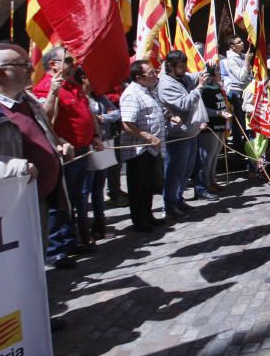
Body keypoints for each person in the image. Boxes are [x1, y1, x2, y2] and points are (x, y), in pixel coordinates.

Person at [0, 44, 73, 265]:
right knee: (17, 264)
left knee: (35, 259)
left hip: (39, 197)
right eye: (23, 65)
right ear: (3, 71)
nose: (32, 69)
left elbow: (43, 130)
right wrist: (17, 167)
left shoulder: (27, 100)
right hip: (10, 206)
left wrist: (58, 145)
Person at [33, 47, 103, 251]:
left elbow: (87, 114)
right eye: (69, 60)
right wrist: (53, 92)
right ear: (53, 64)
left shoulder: (73, 86)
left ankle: (76, 238)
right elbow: (46, 120)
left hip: (83, 149)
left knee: (78, 196)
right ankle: (62, 245)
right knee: (64, 200)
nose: (74, 64)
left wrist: (96, 136)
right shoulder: (44, 88)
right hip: (65, 153)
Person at [157, 50, 209, 218]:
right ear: (170, 67)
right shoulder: (166, 84)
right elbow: (183, 104)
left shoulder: (183, 77)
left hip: (190, 132)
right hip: (177, 135)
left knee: (186, 170)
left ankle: (179, 200)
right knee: (174, 171)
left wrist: (208, 68)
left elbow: (195, 76)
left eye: (185, 65)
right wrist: (199, 88)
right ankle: (170, 205)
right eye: (180, 66)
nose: (184, 68)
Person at [119, 60, 167, 232]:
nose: (155, 75)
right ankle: (140, 221)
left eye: (155, 72)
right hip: (138, 150)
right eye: (151, 73)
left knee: (148, 186)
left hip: (151, 150)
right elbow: (127, 123)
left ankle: (148, 215)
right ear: (139, 77)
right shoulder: (132, 93)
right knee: (138, 187)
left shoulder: (148, 91)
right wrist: (147, 136)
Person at [84, 76, 120, 239]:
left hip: (103, 143)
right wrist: (93, 119)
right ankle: (84, 229)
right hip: (87, 147)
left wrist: (102, 118)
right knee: (85, 190)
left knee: (99, 188)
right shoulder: (80, 97)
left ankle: (100, 225)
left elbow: (116, 112)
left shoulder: (100, 97)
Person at [196, 63, 230, 200]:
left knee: (215, 154)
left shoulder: (218, 87)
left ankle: (212, 180)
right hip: (210, 127)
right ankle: (205, 183)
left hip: (221, 125)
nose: (219, 73)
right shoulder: (205, 89)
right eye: (216, 71)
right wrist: (218, 113)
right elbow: (203, 109)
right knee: (207, 156)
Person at [223, 35, 253, 162]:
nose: (242, 43)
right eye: (238, 42)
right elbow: (240, 76)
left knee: (247, 122)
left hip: (248, 91)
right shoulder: (231, 59)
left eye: (241, 41)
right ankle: (239, 152)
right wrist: (246, 61)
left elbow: (248, 75)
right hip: (237, 93)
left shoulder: (241, 56)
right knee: (239, 124)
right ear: (232, 46)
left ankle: (249, 148)